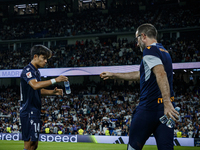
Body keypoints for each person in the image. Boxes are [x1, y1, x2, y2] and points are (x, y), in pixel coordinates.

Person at [100, 23, 179, 150]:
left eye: (137, 39)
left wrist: (167, 102)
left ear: (143, 36)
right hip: (165, 112)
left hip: (149, 108)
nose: (137, 44)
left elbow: (160, 73)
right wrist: (114, 75)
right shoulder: (164, 51)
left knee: (133, 147)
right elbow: (141, 75)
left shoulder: (149, 50)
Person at [20, 45, 68, 150]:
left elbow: (38, 91)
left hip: (34, 110)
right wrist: (55, 80)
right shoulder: (28, 70)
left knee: (34, 145)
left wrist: (53, 92)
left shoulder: (36, 72)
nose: (46, 61)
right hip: (28, 110)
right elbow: (35, 85)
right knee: (29, 144)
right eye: (44, 58)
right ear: (35, 56)